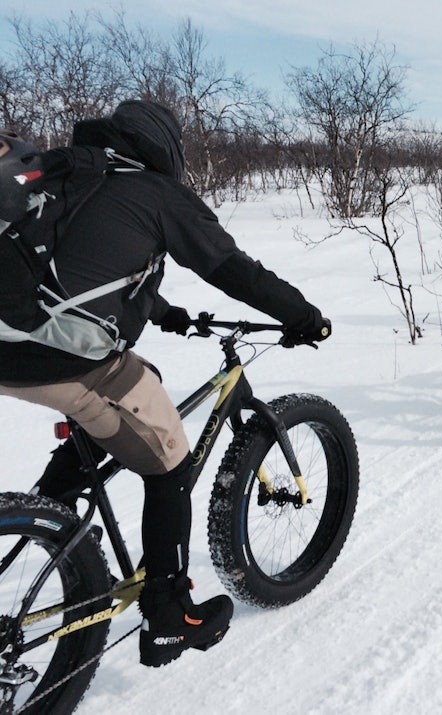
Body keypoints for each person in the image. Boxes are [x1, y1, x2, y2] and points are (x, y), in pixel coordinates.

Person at [0, 100, 331, 667]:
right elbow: (232, 268)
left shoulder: (69, 170)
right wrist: (300, 313)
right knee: (170, 460)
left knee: (137, 382)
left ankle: (54, 510)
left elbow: (77, 267)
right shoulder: (158, 192)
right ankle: (170, 613)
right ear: (165, 151)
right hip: (55, 360)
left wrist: (162, 309)